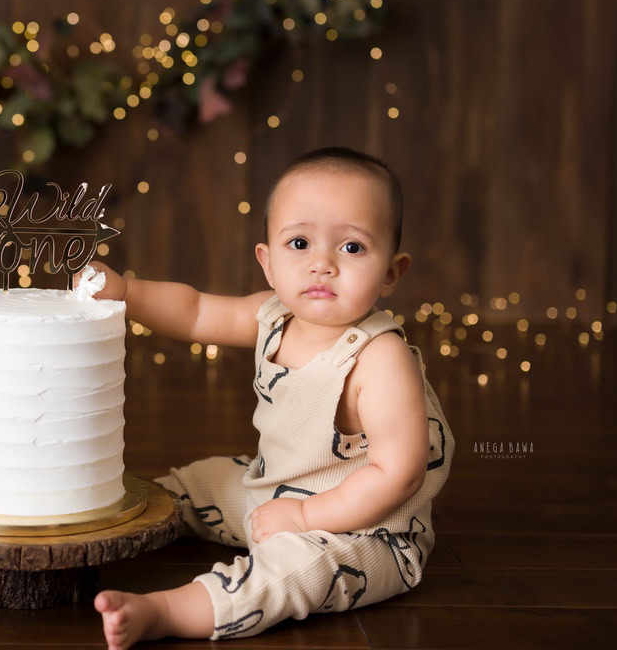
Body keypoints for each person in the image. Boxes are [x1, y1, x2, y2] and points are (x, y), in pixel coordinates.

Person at [76, 146, 455, 648]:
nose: (322, 264)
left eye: (352, 248)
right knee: (199, 482)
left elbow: (398, 473)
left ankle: (168, 610)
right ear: (268, 262)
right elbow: (194, 313)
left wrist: (303, 518)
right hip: (274, 490)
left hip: (362, 533)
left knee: (290, 573)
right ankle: (117, 526)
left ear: (391, 272)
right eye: (299, 242)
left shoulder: (381, 359)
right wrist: (127, 292)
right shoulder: (272, 315)